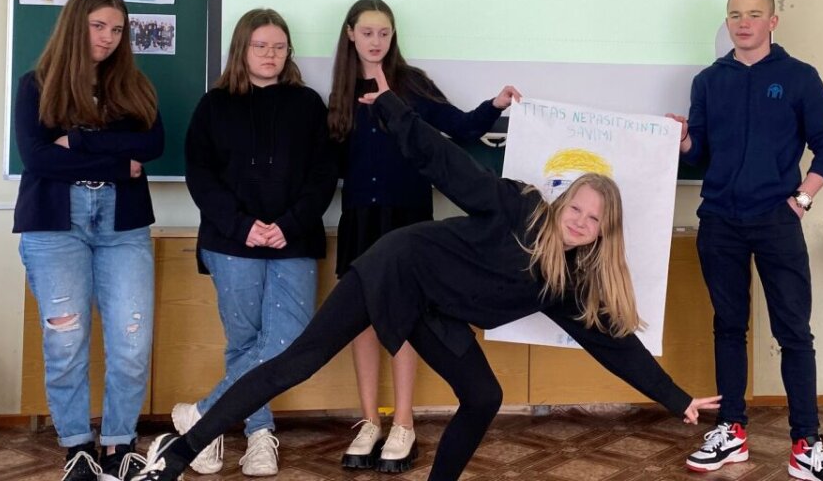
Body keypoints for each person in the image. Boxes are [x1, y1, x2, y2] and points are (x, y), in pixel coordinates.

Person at [127, 67, 721, 481]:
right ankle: (178, 455)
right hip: (395, 268)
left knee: (483, 396)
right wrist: (391, 107)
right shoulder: (518, 206)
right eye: (578, 209)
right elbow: (448, 164)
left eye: (594, 220)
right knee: (297, 362)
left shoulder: (566, 284)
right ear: (563, 203)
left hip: (433, 307)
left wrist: (676, 398)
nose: (581, 222)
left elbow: (614, 345)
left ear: (603, 232)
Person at [326, 0, 519, 472]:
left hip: (408, 220)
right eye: (367, 32)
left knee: (406, 315)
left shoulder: (411, 84)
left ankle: (404, 423)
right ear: (350, 34)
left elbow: (461, 127)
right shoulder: (339, 92)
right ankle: (369, 421)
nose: (376, 41)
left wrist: (494, 105)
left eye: (384, 32)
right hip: (360, 219)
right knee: (361, 319)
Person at [669, 0, 823, 481]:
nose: (743, 23)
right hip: (719, 221)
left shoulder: (799, 77)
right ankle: (731, 430)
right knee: (728, 327)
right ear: (727, 22)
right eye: (734, 15)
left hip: (776, 221)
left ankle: (806, 444)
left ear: (772, 21)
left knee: (794, 332)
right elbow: (700, 156)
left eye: (753, 14)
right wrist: (684, 142)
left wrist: (802, 199)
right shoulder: (709, 81)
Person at [176, 9, 338, 476]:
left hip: (294, 239)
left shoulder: (308, 104)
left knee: (287, 343)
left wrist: (289, 223)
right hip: (231, 242)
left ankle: (202, 416)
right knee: (245, 343)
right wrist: (242, 225)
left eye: (279, 47)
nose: (271, 54)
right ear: (241, 49)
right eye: (261, 46)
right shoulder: (214, 105)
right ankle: (258, 433)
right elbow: (200, 175)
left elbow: (323, 174)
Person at [12, 0, 164, 481]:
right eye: (98, 26)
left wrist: (76, 139)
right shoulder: (37, 85)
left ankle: (120, 444)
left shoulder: (134, 85)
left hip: (123, 225)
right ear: (76, 25)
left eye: (117, 30)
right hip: (56, 225)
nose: (108, 37)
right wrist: (120, 162)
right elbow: (38, 159)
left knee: (131, 340)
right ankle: (77, 447)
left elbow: (154, 145)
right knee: (66, 342)